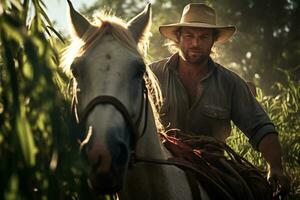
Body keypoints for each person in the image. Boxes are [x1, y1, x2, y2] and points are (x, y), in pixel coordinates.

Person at [150, 3, 289, 196]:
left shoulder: (230, 83)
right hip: (160, 163)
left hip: (212, 168)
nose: (195, 43)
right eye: (189, 36)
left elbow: (260, 127)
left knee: (253, 191)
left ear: (213, 40)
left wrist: (275, 167)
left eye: (203, 37)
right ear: (178, 38)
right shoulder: (151, 75)